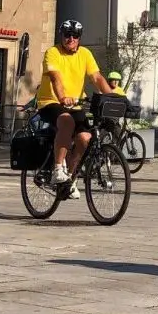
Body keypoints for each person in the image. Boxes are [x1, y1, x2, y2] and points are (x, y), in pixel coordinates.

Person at [36, 19, 113, 193]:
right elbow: (55, 77)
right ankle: (57, 169)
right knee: (66, 121)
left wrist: (112, 97)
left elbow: (97, 77)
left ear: (79, 38)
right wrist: (62, 97)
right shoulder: (53, 52)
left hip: (76, 104)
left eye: (75, 35)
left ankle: (70, 178)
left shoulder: (85, 54)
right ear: (61, 35)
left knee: (85, 138)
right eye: (67, 35)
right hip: (51, 101)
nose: (71, 39)